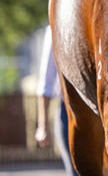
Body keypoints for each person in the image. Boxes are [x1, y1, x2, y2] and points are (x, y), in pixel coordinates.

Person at [35, 25, 76, 176]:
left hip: (101, 110)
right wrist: (43, 126)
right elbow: (46, 83)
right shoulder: (55, 28)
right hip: (70, 111)